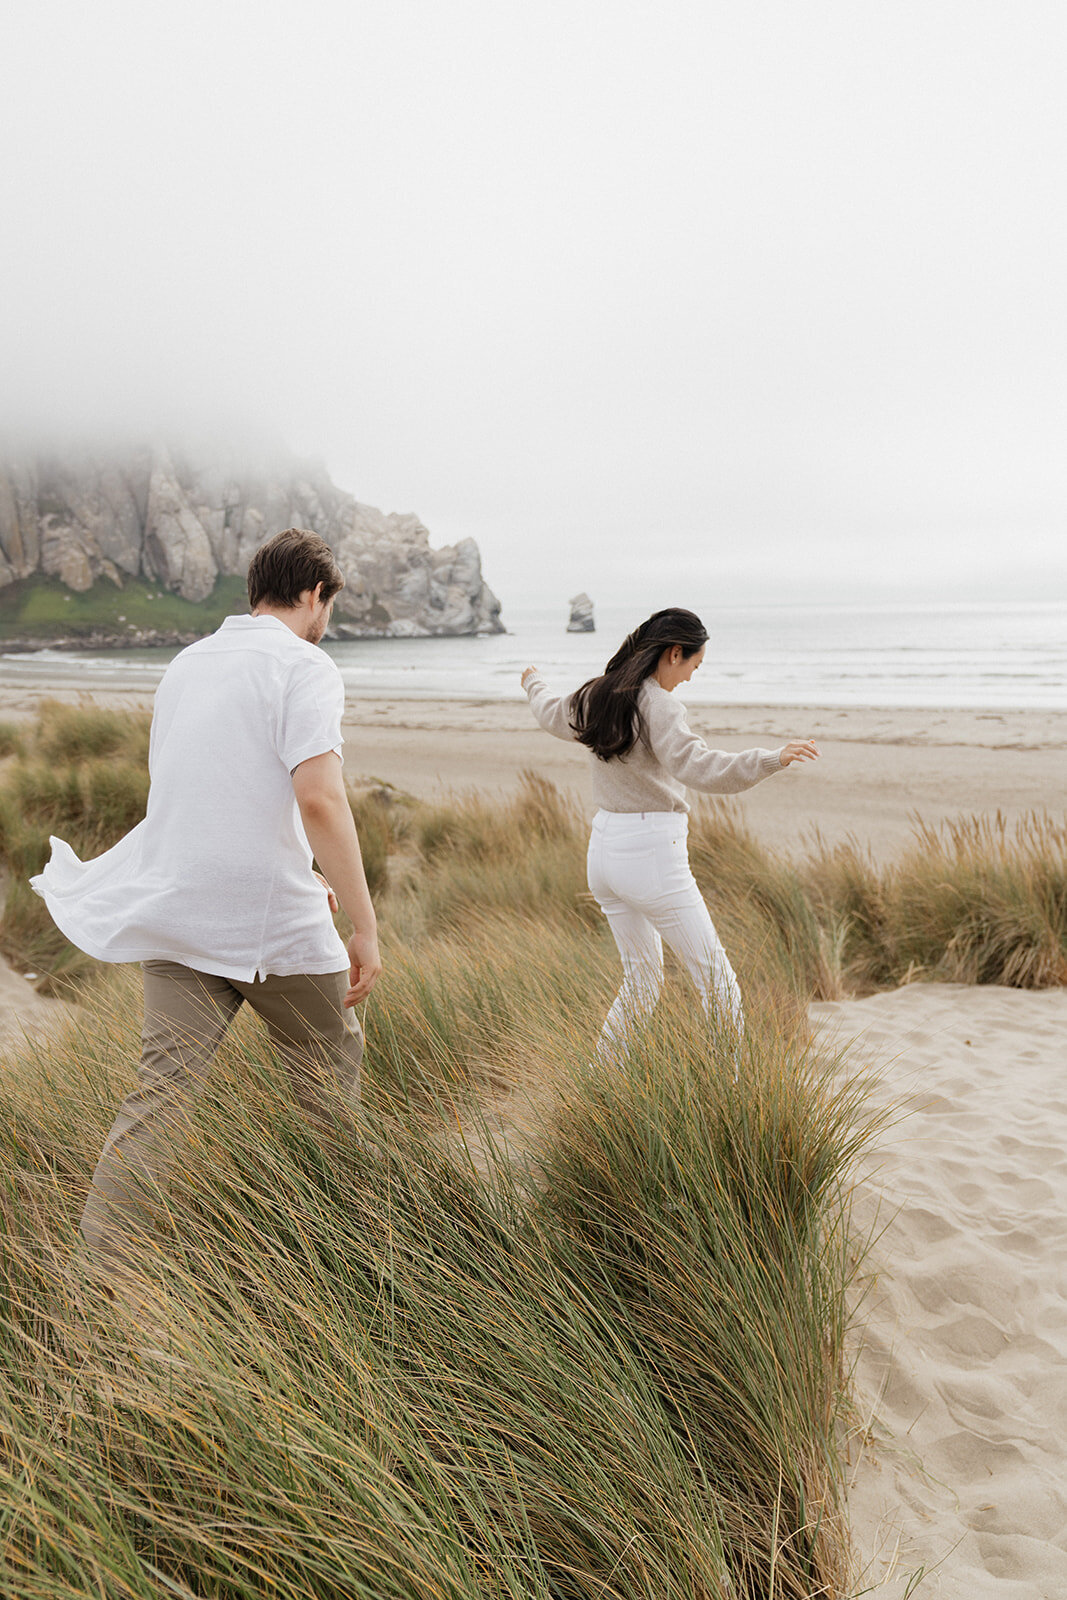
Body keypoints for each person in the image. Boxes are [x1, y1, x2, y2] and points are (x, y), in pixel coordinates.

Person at [32, 527, 382, 1275]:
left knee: (157, 1100)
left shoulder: (186, 664)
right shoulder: (306, 665)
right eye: (329, 604)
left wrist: (298, 867)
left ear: (256, 591)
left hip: (179, 910)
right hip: (271, 923)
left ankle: (96, 1278)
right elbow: (319, 799)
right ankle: (359, 1258)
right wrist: (365, 924)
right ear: (315, 593)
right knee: (330, 1085)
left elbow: (203, 789)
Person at [521, 607, 818, 1064]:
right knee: (718, 982)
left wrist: (532, 682)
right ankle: (727, 1091)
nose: (691, 677)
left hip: (603, 854)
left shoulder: (596, 694)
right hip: (651, 855)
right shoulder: (659, 705)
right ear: (674, 653)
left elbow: (548, 712)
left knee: (641, 980)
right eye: (694, 665)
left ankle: (601, 1080)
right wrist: (770, 758)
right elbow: (701, 767)